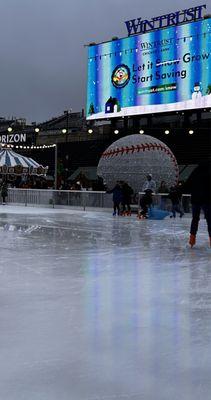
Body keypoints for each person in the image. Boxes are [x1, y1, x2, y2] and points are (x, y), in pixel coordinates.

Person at [188, 161, 211, 247]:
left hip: (195, 199)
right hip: (206, 199)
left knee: (195, 219)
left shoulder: (196, 171)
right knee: (209, 220)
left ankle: (192, 239)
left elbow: (188, 183)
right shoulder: (208, 171)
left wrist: (178, 190)